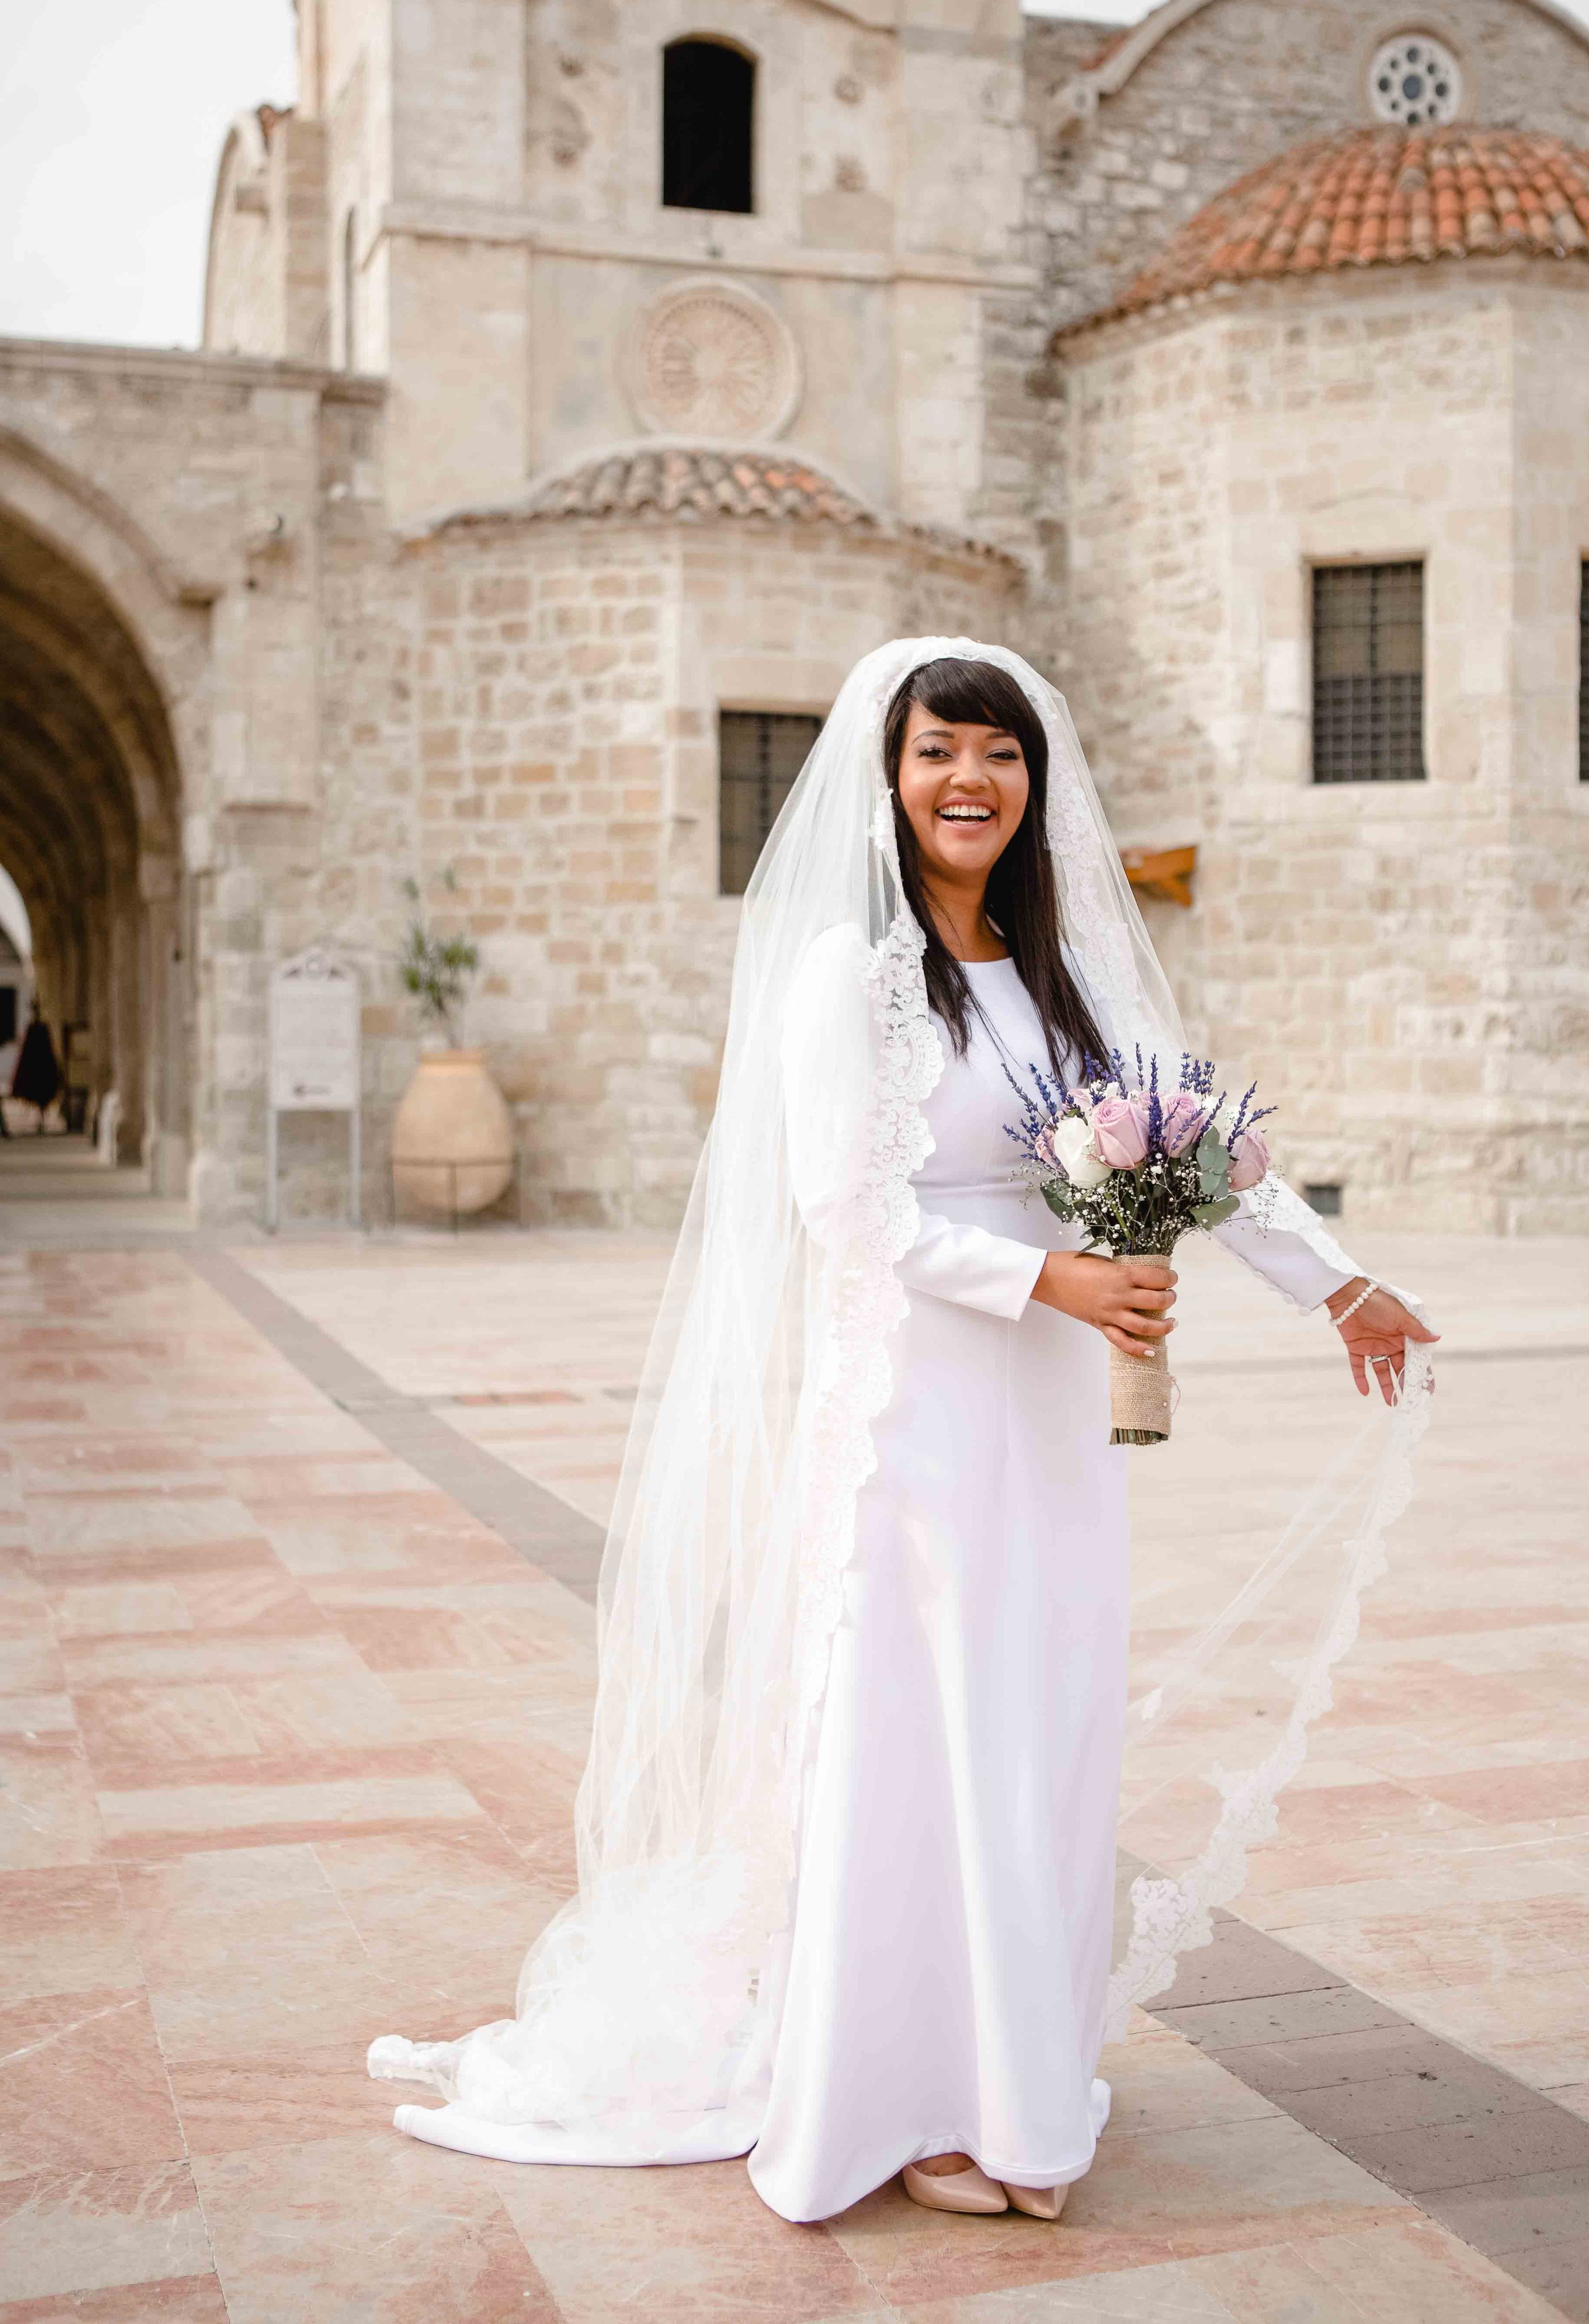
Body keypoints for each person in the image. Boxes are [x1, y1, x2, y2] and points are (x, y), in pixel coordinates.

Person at [369, 639, 1435, 2221]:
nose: (968, 783)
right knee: (919, 1745)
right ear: (889, 775)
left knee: (1041, 1736)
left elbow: (1191, 1144)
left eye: (997, 757)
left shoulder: (1062, 981)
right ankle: (912, 2100)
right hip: (912, 1413)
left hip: (1056, 1419)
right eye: (940, 752)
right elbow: (846, 1215)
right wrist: (1046, 1278)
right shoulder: (845, 982)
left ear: (1033, 783)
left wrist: (1336, 1287)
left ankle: (1019, 2080)